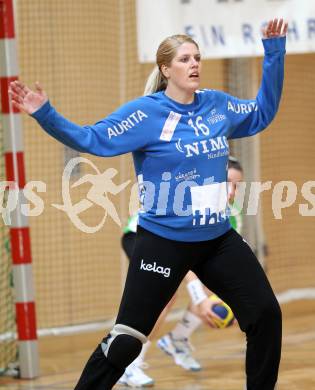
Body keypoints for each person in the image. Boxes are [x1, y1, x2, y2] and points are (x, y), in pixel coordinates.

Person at [9, 18, 287, 390]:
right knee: (126, 341)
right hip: (163, 242)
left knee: (265, 314)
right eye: (185, 59)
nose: (194, 65)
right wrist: (45, 112)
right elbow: (91, 139)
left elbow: (262, 113)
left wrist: (274, 53)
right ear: (165, 69)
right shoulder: (145, 114)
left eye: (197, 58)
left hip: (217, 239)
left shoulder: (217, 106)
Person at [118, 156, 243, 388]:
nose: (232, 190)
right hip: (143, 236)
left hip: (176, 247)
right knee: (164, 296)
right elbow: (181, 260)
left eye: (237, 184)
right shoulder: (192, 200)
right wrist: (199, 299)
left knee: (213, 283)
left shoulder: (231, 215)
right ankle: (129, 364)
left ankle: (178, 339)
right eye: (226, 182)